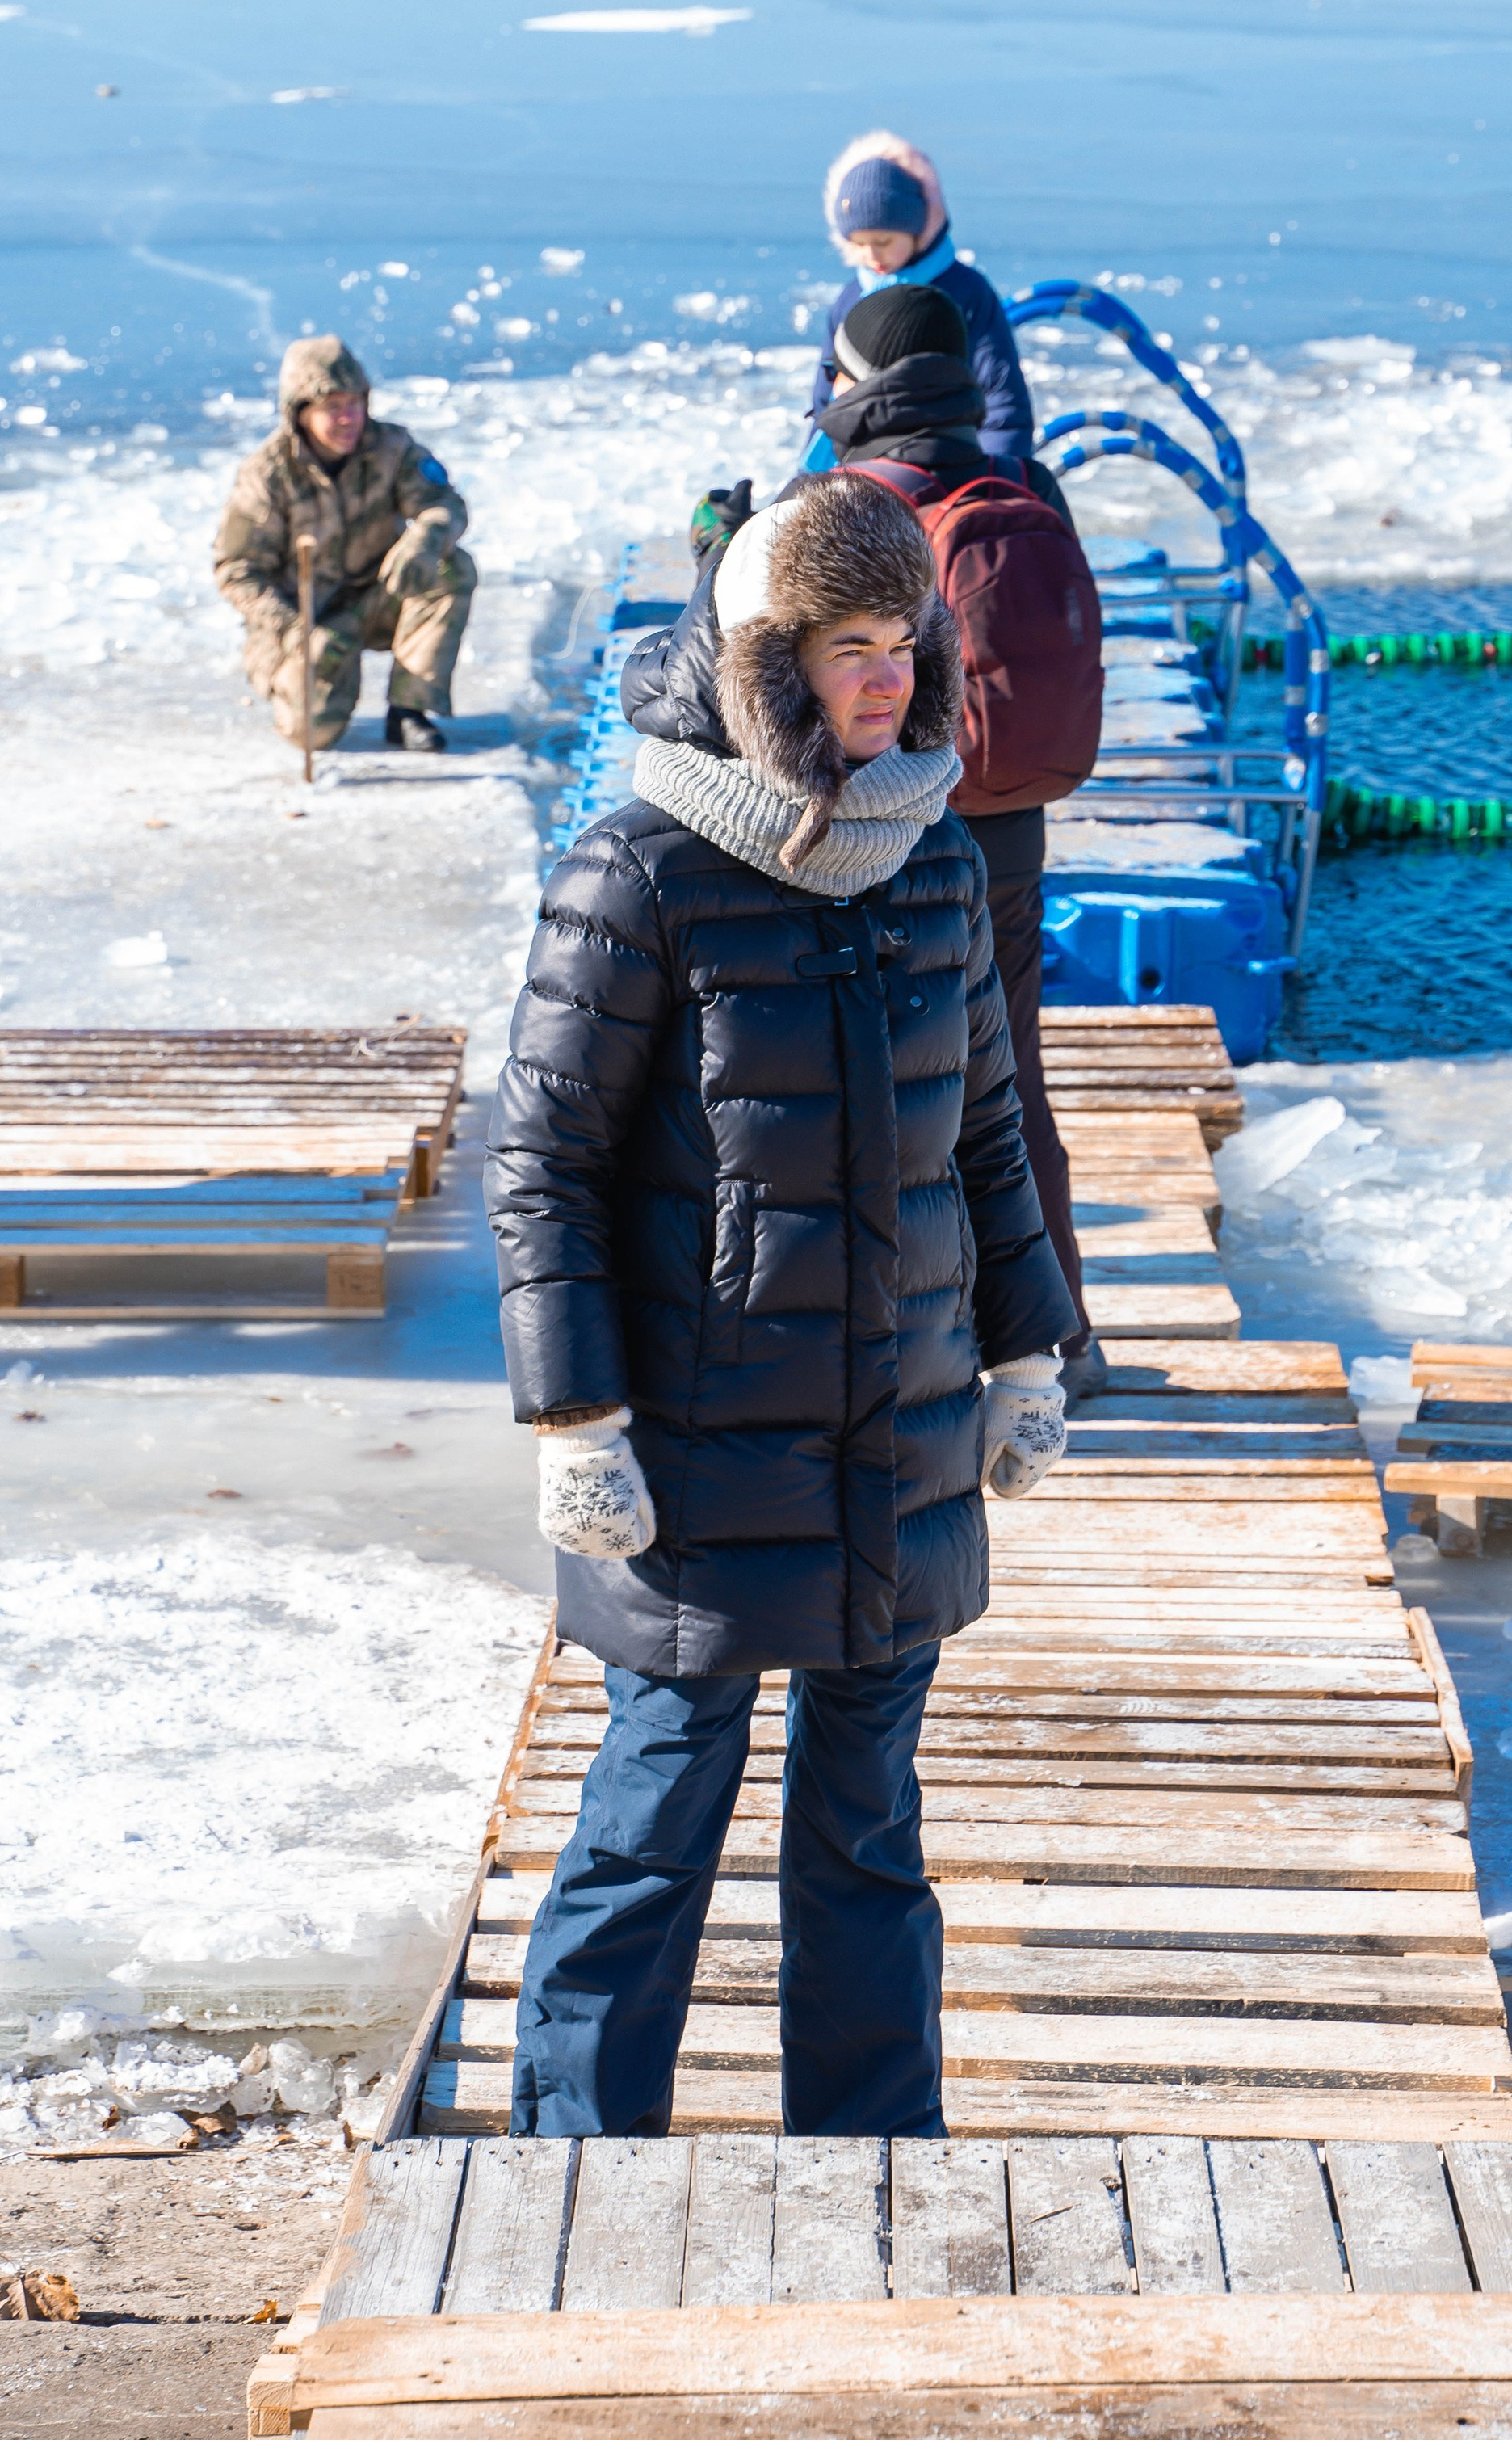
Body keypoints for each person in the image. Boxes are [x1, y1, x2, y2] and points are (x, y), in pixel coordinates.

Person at [486, 471, 1076, 2139]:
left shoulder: (934, 864)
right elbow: (540, 1163)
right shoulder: (643, 869)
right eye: (842, 645)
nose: (883, 676)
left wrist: (1028, 1354)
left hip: (896, 1438)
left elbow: (981, 1138)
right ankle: (573, 2169)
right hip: (693, 1450)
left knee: (867, 1839)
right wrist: (574, 1416)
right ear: (764, 659)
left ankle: (872, 2165)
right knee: (652, 1820)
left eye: (903, 642)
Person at [815, 283, 1106, 1388]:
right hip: (1012, 830)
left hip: (883, 840)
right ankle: (1063, 1337)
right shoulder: (1024, 483)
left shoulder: (842, 507)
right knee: (1011, 1080)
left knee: (879, 1093)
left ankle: (903, 1358)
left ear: (862, 383)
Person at [212, 334, 474, 754]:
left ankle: (409, 709)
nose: (349, 418)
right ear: (301, 412)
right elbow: (236, 570)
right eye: (333, 408)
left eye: (355, 404)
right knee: (311, 734)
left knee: (451, 567)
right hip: (305, 622)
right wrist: (293, 629)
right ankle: (314, 682)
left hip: (378, 598)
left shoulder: (391, 447)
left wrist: (427, 537)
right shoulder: (267, 475)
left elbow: (443, 502)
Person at [810, 131, 1035, 467]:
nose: (872, 254)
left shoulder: (965, 293)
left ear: (917, 226)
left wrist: (997, 478)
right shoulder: (851, 299)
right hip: (865, 469)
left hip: (954, 463)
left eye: (884, 241)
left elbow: (1002, 400)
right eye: (859, 243)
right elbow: (828, 401)